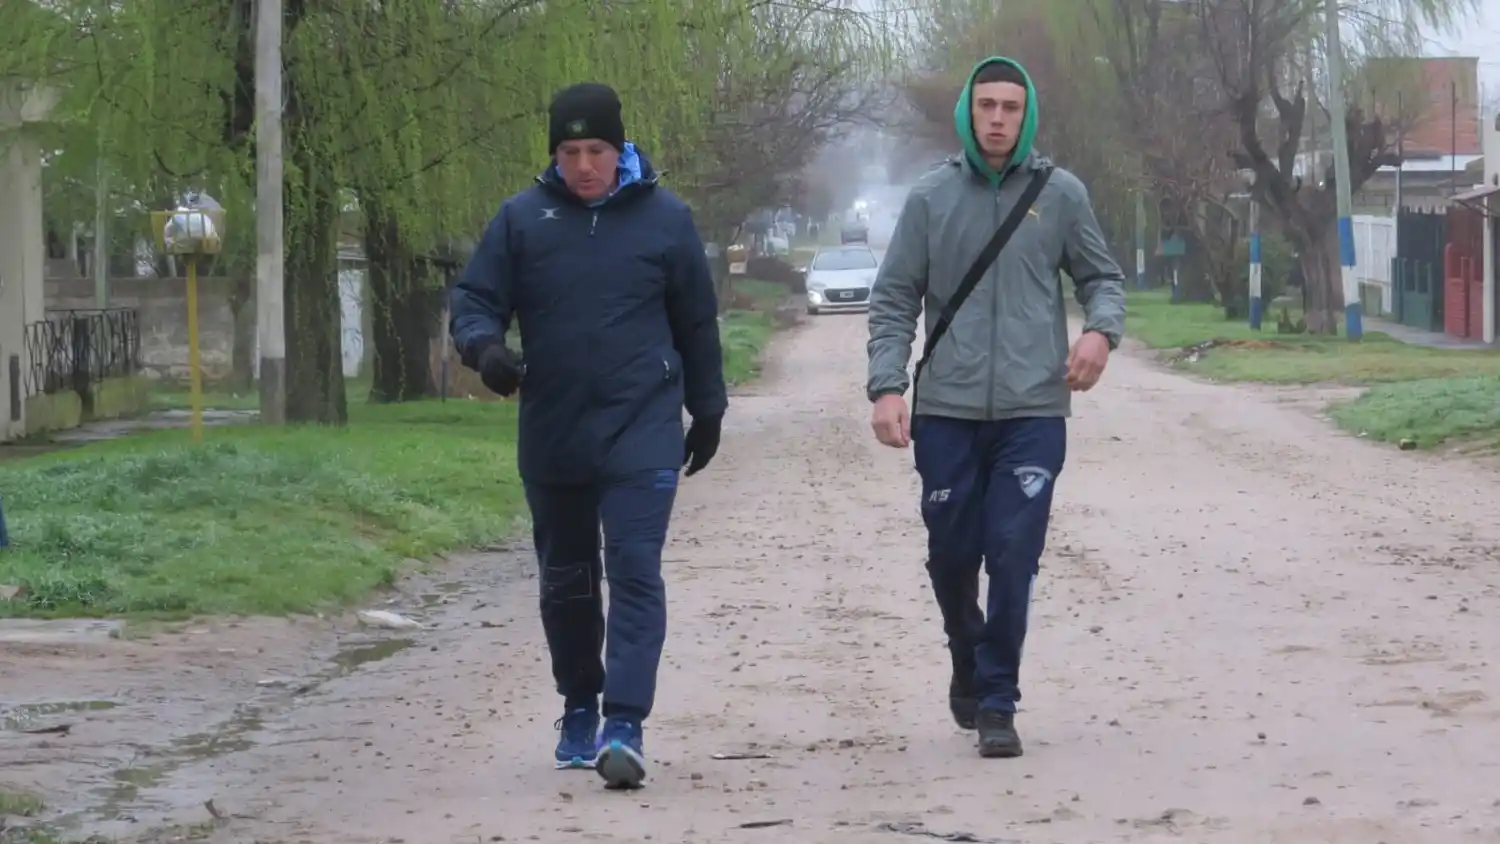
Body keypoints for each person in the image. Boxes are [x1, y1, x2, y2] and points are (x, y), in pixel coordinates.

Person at [449, 82, 728, 789]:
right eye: (569, 151)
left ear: (620, 148)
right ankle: (579, 702)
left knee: (635, 571)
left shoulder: (665, 219)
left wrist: (709, 406)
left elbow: (696, 320)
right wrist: (486, 351)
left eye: (596, 150)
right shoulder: (522, 220)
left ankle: (625, 723)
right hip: (555, 429)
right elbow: (475, 299)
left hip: (643, 424)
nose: (583, 165)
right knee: (569, 582)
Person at [865, 57, 1127, 759]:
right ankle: (965, 649)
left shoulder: (1061, 194)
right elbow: (893, 298)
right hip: (947, 410)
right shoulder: (929, 199)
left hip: (1033, 411)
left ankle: (997, 698)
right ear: (967, 112)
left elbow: (1102, 277)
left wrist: (1101, 332)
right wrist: (887, 385)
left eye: (1012, 105)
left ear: (1028, 113)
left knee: (1013, 553)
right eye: (987, 104)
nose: (999, 117)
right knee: (953, 555)